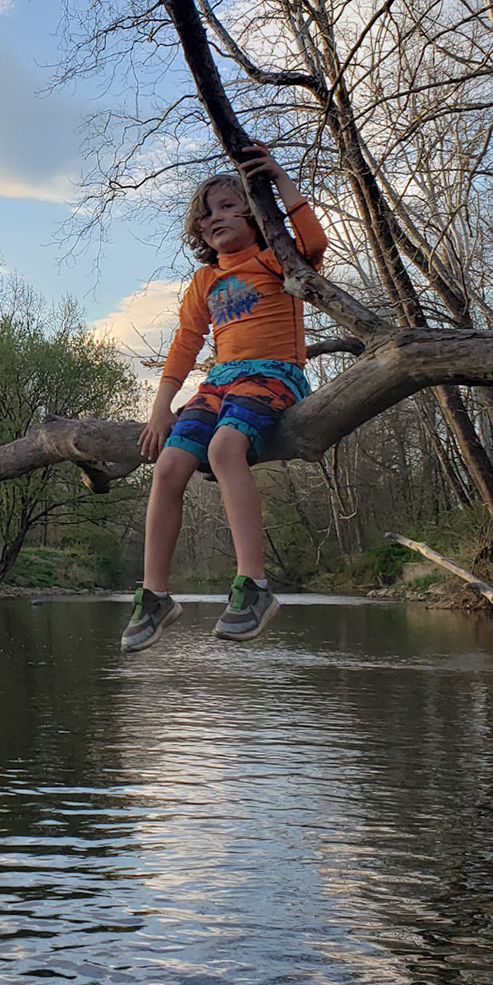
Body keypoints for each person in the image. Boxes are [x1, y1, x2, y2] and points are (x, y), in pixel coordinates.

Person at [120, 144, 327, 651]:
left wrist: (276, 176)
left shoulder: (275, 256)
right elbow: (187, 342)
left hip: (274, 372)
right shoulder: (205, 279)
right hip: (217, 382)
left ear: (256, 215)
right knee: (168, 467)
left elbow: (313, 239)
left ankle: (253, 585)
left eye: (230, 206)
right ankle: (156, 595)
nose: (217, 217)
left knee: (222, 448)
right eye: (207, 213)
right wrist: (160, 407)